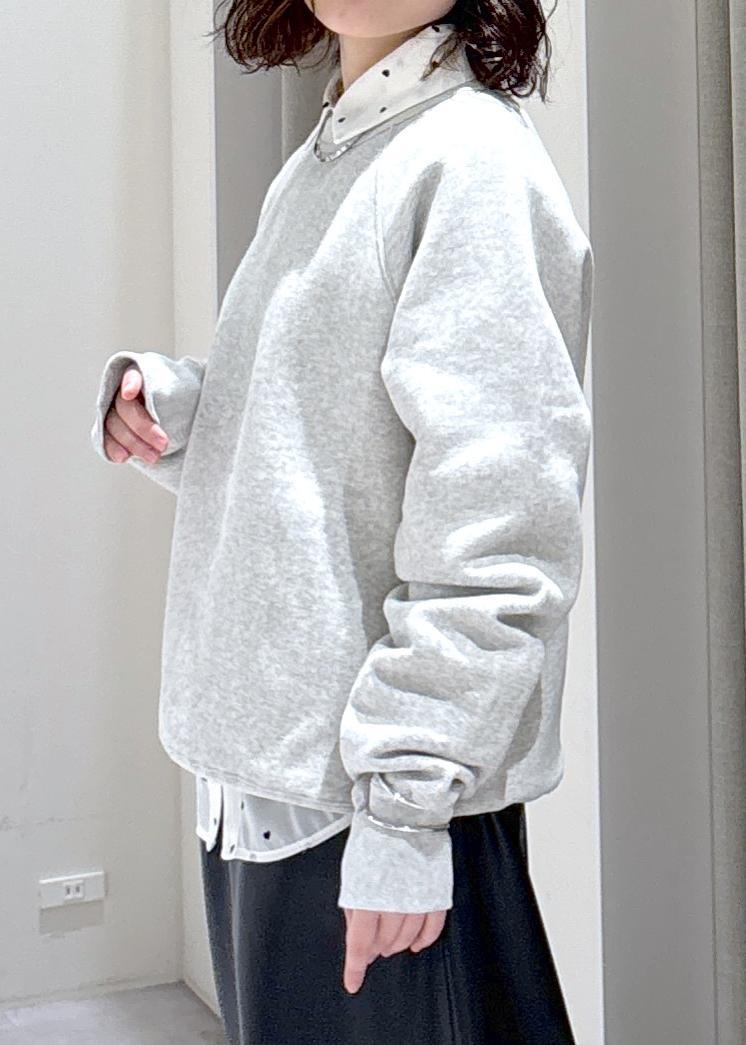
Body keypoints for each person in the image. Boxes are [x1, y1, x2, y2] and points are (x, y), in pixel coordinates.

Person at [89, 1, 593, 1042]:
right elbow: (333, 441)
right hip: (272, 781)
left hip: (367, 803)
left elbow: (502, 532)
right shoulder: (339, 142)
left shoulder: (469, 159)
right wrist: (185, 409)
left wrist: (404, 816)